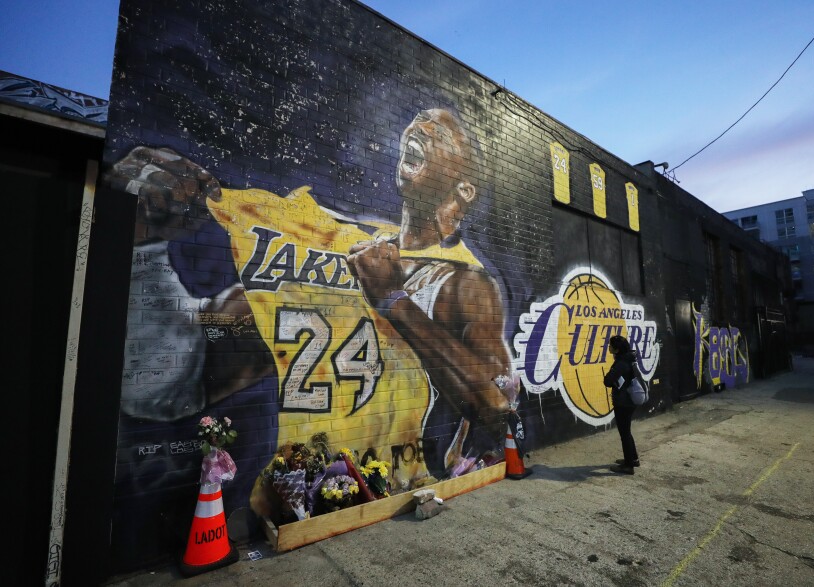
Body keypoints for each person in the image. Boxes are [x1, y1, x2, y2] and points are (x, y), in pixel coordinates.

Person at [105, 109, 514, 508]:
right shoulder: (337, 239)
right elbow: (161, 384)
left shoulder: (463, 281)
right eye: (421, 119)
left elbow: (497, 410)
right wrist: (145, 247)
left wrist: (393, 299)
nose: (422, 127)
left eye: (441, 133)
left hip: (403, 494)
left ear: (463, 191)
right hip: (304, 499)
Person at [603, 335, 641, 474]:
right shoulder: (629, 359)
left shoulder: (621, 363)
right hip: (630, 400)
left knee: (624, 433)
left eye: (611, 345)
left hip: (623, 402)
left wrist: (611, 379)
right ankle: (633, 459)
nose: (609, 347)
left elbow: (607, 381)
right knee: (627, 431)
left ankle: (628, 466)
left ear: (617, 349)